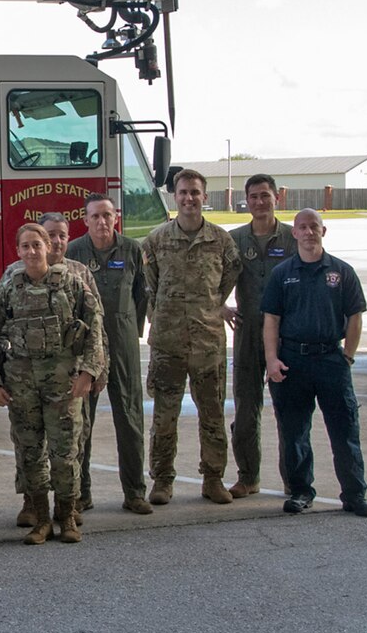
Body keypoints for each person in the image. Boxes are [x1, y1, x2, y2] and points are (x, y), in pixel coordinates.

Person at [0, 223, 105, 544]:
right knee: (31, 453)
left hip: (63, 382)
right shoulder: (8, 288)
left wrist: (88, 373)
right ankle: (41, 519)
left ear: (48, 247)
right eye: (26, 246)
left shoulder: (72, 285)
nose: (32, 251)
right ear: (18, 251)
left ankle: (68, 516)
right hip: (21, 386)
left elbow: (95, 329)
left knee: (65, 453)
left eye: (38, 245)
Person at [263, 209, 367, 518]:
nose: (309, 232)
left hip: (330, 359)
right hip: (293, 362)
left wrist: (348, 355)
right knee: (295, 431)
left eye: (314, 226)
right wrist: (272, 360)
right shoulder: (282, 274)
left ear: (323, 232)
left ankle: (354, 494)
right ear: (295, 233)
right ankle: (301, 491)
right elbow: (271, 319)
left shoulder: (341, 272)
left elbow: (355, 316)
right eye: (303, 227)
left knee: (344, 431)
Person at [141, 169, 240, 505]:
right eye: (183, 192)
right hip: (167, 344)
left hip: (208, 344)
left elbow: (227, 281)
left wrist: (209, 308)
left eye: (195, 193)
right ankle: (162, 480)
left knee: (211, 415)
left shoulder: (221, 241)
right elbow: (150, 284)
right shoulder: (156, 240)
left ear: (205, 197)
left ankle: (213, 479)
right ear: (175, 196)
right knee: (164, 416)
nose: (189, 198)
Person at [65, 194, 154, 515]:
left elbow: (142, 294)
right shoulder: (74, 252)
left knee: (130, 418)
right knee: (80, 422)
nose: (101, 222)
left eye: (107, 215)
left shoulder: (131, 250)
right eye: (94, 217)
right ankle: (80, 493)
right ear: (85, 220)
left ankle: (134, 492)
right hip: (85, 350)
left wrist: (131, 329)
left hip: (123, 344)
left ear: (115, 216)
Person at [223, 175, 297, 499]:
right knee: (245, 409)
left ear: (277, 197)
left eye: (265, 196)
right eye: (253, 197)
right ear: (246, 200)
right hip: (248, 331)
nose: (259, 202)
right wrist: (219, 307)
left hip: (287, 335)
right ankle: (248, 476)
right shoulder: (235, 239)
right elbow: (214, 279)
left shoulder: (294, 238)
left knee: (289, 411)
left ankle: (293, 480)